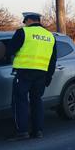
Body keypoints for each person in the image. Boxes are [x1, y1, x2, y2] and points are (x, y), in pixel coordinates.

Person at [6, 12, 57, 141]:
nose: (24, 24)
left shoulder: (23, 32)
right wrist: (49, 77)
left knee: (20, 102)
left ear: (28, 20)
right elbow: (53, 60)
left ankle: (22, 131)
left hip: (24, 73)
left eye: (25, 21)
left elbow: (10, 50)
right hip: (42, 74)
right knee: (37, 102)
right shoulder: (50, 36)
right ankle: (38, 131)